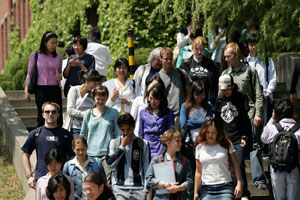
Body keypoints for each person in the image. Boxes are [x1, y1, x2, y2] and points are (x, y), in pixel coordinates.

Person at [221, 42, 266, 194]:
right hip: (233, 119)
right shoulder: (225, 75)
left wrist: (258, 113)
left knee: (254, 147)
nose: (226, 59)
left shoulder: (250, 71)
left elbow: (258, 94)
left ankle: (259, 180)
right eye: (225, 56)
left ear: (237, 55)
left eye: (229, 56)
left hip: (250, 115)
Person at [215, 74, 252, 199]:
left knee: (240, 164)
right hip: (224, 137)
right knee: (226, 166)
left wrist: (244, 137)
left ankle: (244, 192)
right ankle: (230, 191)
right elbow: (217, 121)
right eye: (223, 90)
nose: (225, 92)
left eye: (227, 89)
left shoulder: (241, 97)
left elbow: (245, 120)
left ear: (233, 86)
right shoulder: (219, 99)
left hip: (238, 137)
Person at [21, 101, 74, 189]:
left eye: (53, 112)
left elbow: (73, 157)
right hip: (42, 179)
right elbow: (25, 155)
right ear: (43, 114)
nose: (50, 114)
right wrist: (29, 176)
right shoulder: (35, 134)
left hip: (62, 180)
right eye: (47, 112)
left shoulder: (66, 135)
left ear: (58, 115)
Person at [80, 85, 120, 184]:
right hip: (90, 155)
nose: (100, 100)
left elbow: (118, 134)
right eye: (98, 98)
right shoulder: (88, 113)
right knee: (91, 184)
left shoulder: (114, 113)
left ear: (107, 98)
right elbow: (83, 134)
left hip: (107, 155)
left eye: (103, 97)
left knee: (107, 184)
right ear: (94, 98)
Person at [194, 119, 243, 200]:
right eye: (208, 132)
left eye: (213, 132)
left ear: (218, 133)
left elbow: (236, 165)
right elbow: (198, 171)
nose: (210, 135)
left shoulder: (226, 143)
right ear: (204, 132)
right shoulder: (199, 147)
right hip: (206, 188)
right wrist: (196, 192)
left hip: (225, 187)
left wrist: (239, 182)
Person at [261, 99, 300, 200]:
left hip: (276, 169)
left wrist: (273, 119)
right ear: (292, 113)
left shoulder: (272, 128)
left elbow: (263, 138)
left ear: (276, 113)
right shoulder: (298, 129)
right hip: (293, 168)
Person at [106, 113, 150, 200]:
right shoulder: (113, 143)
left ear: (133, 127)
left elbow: (147, 167)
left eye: (128, 129)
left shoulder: (143, 143)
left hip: (139, 189)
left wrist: (146, 189)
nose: (126, 133)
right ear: (119, 129)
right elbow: (110, 164)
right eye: (123, 130)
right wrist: (122, 146)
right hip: (119, 188)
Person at [24, 31, 63, 127]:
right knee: (42, 116)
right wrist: (26, 90)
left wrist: (60, 76)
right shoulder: (35, 55)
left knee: (57, 115)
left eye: (56, 43)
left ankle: (58, 137)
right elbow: (29, 73)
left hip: (55, 89)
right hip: (41, 89)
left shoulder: (59, 57)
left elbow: (60, 73)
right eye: (52, 42)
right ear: (45, 43)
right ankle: (41, 137)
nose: (54, 45)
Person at [145, 129, 193, 200]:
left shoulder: (184, 160)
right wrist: (164, 184)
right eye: (177, 141)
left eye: (180, 141)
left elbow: (189, 181)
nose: (180, 144)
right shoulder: (157, 160)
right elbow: (149, 179)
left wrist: (178, 188)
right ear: (168, 142)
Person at [247, 32, 276, 129]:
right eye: (251, 45)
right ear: (248, 46)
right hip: (250, 99)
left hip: (264, 97)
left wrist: (268, 92)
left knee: (264, 126)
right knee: (250, 126)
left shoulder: (266, 60)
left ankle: (263, 144)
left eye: (256, 45)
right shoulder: (245, 62)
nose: (253, 47)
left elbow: (272, 77)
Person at [180, 36, 219, 105]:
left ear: (204, 49)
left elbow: (215, 83)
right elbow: (182, 84)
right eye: (197, 49)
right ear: (192, 49)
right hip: (191, 102)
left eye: (201, 49)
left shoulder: (211, 64)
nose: (199, 52)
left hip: (208, 102)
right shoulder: (186, 64)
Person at [139, 85, 174, 158]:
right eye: (150, 98)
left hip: (161, 147)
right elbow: (141, 133)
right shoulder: (143, 113)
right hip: (146, 146)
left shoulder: (168, 112)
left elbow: (171, 131)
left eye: (156, 98)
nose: (152, 101)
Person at [66, 69, 103, 137]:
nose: (96, 86)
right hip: (75, 127)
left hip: (90, 127)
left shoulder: (93, 94)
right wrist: (85, 114)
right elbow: (70, 110)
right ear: (87, 81)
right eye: (94, 83)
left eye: (97, 83)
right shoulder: (74, 90)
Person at [159, 47, 192, 118]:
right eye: (166, 59)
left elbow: (189, 91)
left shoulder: (181, 73)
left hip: (181, 114)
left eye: (170, 59)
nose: (169, 61)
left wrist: (188, 103)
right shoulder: (157, 77)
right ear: (160, 58)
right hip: (165, 115)